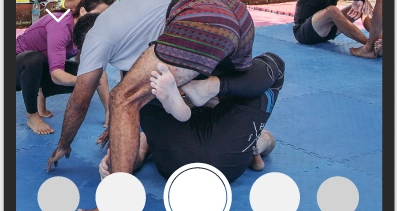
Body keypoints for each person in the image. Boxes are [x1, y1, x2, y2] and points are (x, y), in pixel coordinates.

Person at [46, 0, 255, 211]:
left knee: (121, 98)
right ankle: (253, 142)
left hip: (200, 14)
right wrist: (119, 125)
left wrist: (64, 143)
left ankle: (117, 209)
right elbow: (138, 82)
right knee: (204, 89)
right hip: (238, 14)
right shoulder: (125, 14)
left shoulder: (95, 35)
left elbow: (80, 101)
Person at [97, 51, 285, 190]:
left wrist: (120, 163)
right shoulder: (233, 114)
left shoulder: (152, 133)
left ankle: (183, 97)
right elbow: (268, 141)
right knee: (274, 64)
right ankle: (207, 88)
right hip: (224, 164)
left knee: (142, 80)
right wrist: (261, 143)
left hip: (176, 164)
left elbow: (139, 154)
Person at [16, 0, 114, 135]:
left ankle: (41, 93)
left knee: (95, 73)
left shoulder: (89, 30)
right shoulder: (60, 26)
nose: (101, 22)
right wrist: (84, 80)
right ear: (82, 12)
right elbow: (56, 75)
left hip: (43, 67)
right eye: (98, 16)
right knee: (33, 59)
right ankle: (32, 116)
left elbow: (96, 69)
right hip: (19, 69)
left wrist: (109, 110)